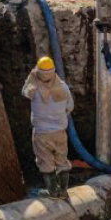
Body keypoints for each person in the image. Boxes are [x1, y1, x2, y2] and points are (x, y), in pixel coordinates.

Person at [21, 56, 74, 199]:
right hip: (60, 132)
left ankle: (53, 192)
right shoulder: (63, 87)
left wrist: (32, 76)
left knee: (46, 163)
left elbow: (24, 91)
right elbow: (70, 107)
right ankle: (63, 191)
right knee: (62, 161)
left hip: (42, 134)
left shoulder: (34, 90)